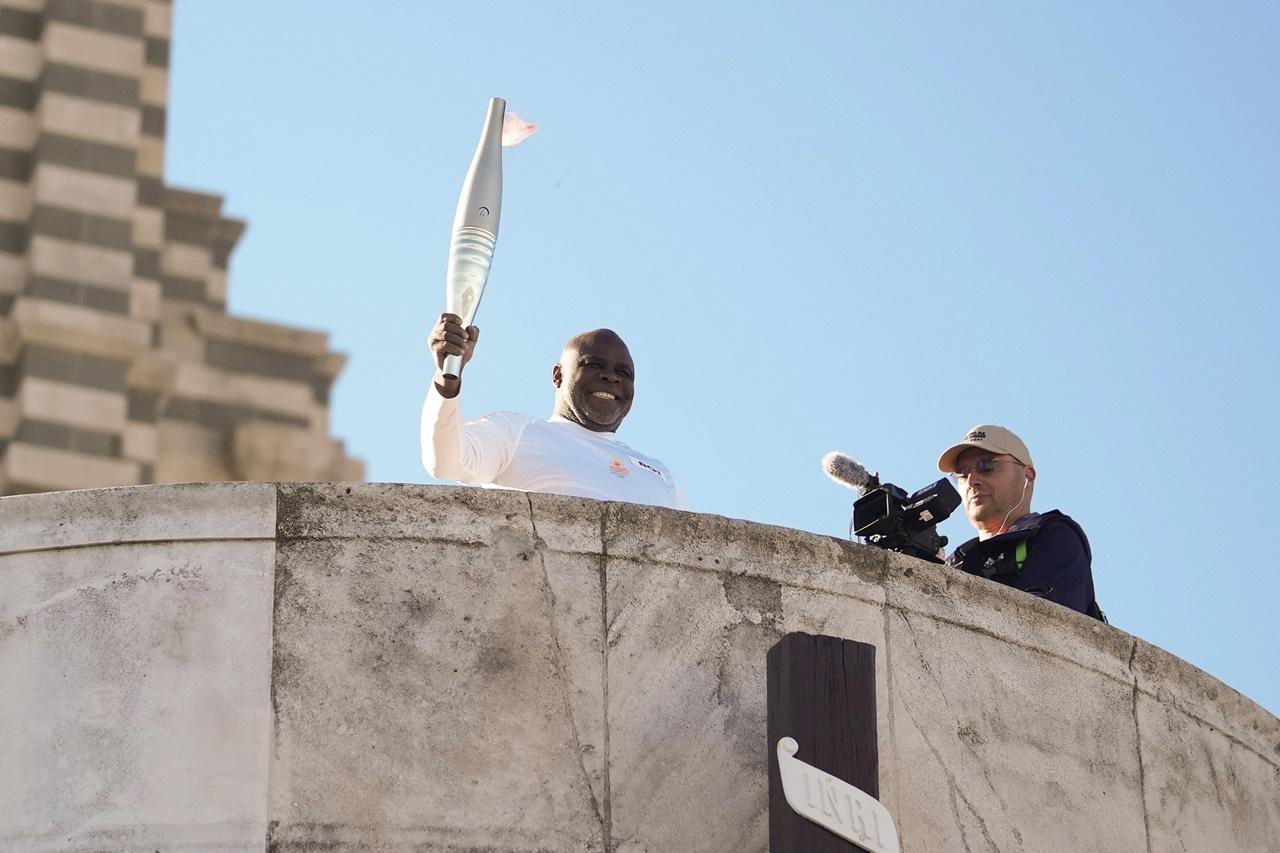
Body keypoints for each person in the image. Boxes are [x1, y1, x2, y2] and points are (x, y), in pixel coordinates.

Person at [421, 313, 680, 508]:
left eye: (623, 373)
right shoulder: (514, 432)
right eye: (593, 365)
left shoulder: (659, 474)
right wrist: (448, 375)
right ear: (558, 375)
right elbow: (446, 462)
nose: (610, 378)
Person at [937, 424, 1103, 620]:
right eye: (962, 473)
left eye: (987, 466)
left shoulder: (1053, 535)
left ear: (1028, 476)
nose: (972, 480)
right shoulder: (957, 561)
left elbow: (1047, 626)